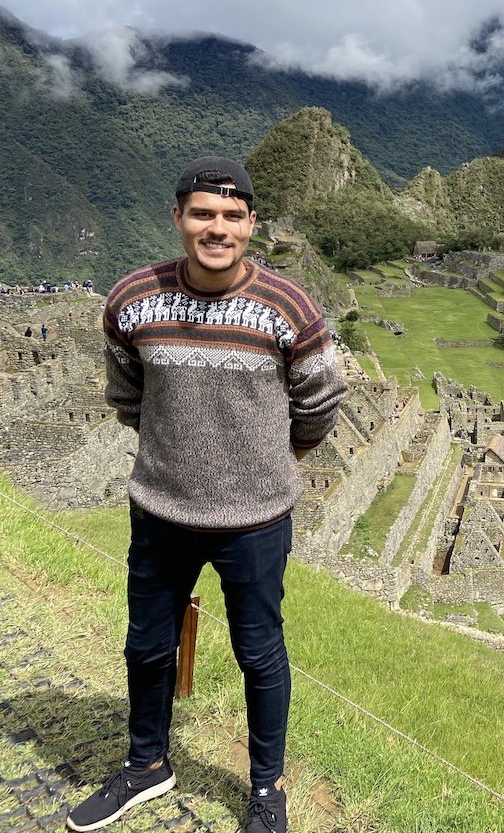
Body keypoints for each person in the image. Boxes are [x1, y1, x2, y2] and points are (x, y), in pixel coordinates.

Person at [67, 157, 347, 833]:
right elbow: (128, 392)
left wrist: (272, 463)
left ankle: (265, 788)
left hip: (255, 520)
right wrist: (176, 451)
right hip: (161, 508)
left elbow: (321, 401)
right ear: (179, 218)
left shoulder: (289, 307)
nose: (215, 228)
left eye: (231, 216)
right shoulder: (132, 299)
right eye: (202, 214)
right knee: (146, 644)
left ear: (251, 224)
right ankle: (146, 764)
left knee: (260, 654)